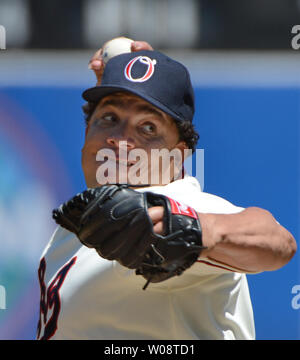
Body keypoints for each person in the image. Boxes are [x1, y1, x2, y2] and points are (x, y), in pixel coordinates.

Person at [36, 40, 297, 341]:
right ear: (87, 130)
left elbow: (277, 241)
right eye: (109, 118)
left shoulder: (172, 207)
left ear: (179, 154)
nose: (121, 139)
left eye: (148, 128)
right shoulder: (78, 227)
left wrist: (194, 229)